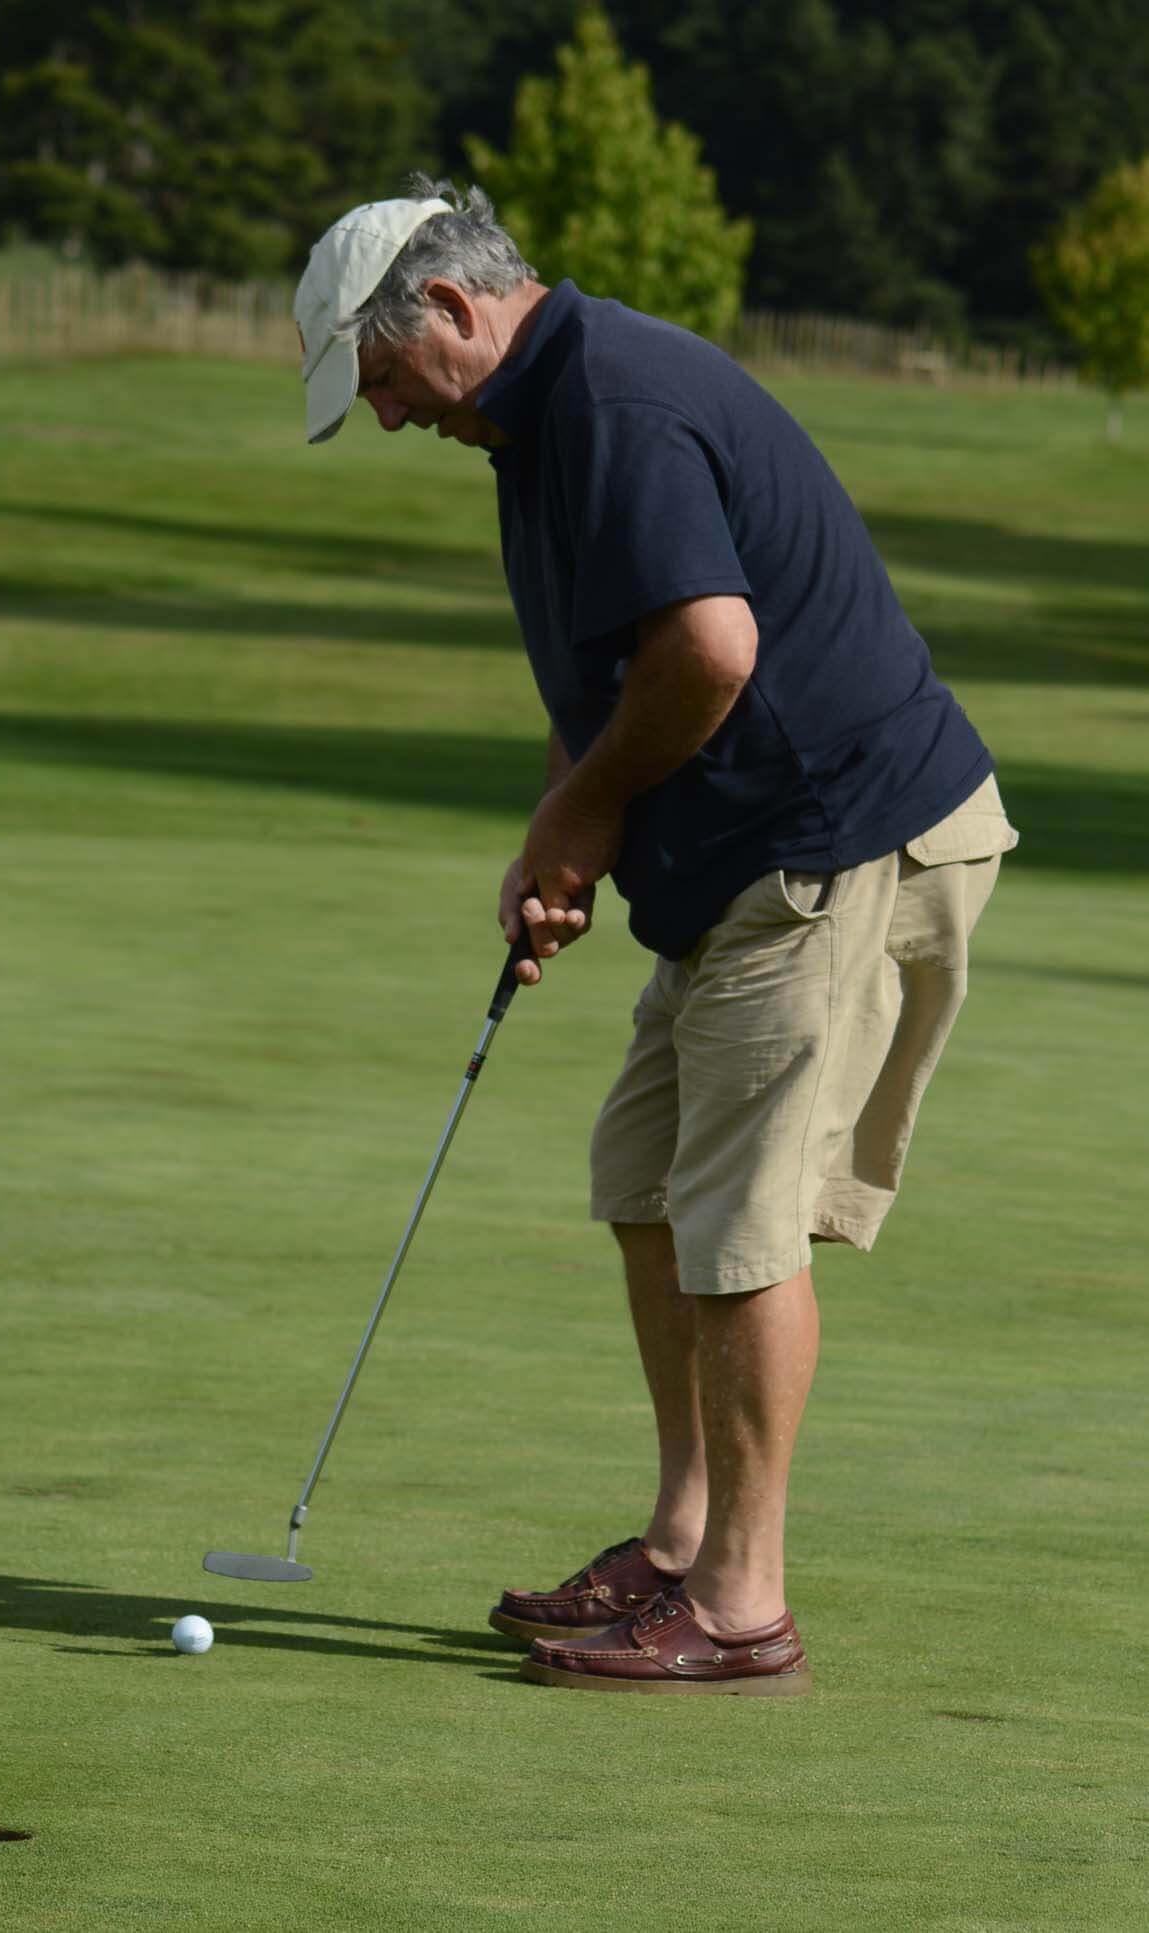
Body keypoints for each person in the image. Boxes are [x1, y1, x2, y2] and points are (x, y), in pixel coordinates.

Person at [293, 178, 1017, 1696]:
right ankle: (683, 1540)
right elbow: (621, 672)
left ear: (446, 310)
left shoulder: (610, 402)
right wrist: (563, 823)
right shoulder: (532, 422)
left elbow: (709, 647)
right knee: (647, 1178)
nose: (383, 417)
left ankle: (742, 1605)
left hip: (835, 838)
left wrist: (584, 816)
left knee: (741, 1223)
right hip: (743, 852)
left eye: (377, 379)